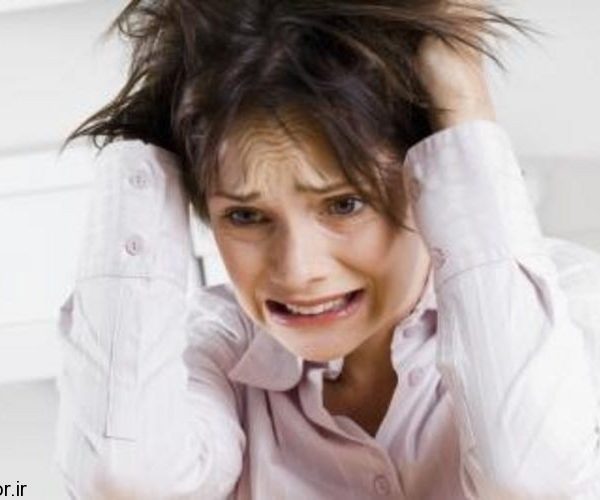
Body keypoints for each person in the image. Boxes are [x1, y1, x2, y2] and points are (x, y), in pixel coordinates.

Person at [55, 1, 600, 498]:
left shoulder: (573, 309)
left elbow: (535, 480)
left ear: (427, 176)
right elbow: (124, 478)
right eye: (245, 215)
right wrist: (148, 142)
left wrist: (462, 102)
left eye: (344, 205)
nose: (298, 270)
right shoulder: (209, 352)